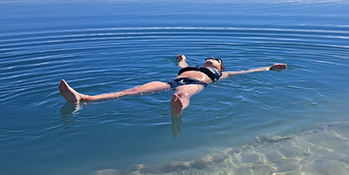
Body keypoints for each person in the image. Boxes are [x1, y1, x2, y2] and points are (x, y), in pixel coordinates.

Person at [58, 55, 287, 116]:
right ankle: (84, 98)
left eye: (216, 59)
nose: (211, 58)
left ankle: (177, 112)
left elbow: (246, 72)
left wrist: (268, 68)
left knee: (183, 97)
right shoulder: (189, 67)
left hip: (195, 85)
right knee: (128, 91)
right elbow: (183, 64)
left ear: (220, 67)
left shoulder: (218, 75)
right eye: (210, 57)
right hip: (171, 81)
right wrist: (181, 60)